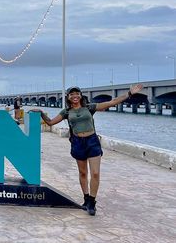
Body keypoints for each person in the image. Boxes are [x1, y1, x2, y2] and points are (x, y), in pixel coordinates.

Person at [31, 84, 143, 216]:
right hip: (78, 143)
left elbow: (111, 102)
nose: (75, 96)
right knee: (83, 173)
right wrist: (41, 113)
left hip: (92, 141)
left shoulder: (89, 108)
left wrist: (129, 93)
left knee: (95, 173)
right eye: (72, 94)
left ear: (80, 95)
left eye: (77, 93)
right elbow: (50, 123)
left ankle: (92, 202)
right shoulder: (66, 112)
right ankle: (86, 198)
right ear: (68, 97)